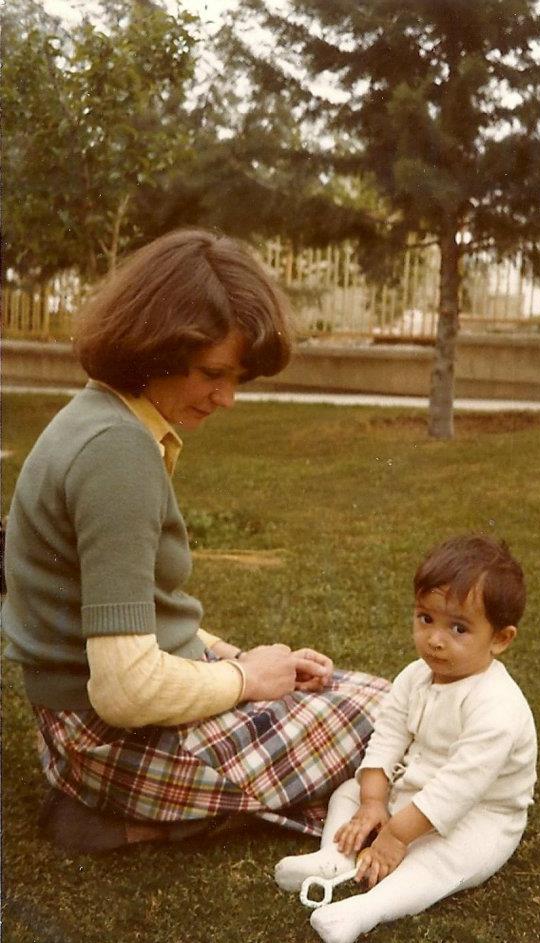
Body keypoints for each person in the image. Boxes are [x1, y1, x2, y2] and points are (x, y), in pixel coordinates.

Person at [2, 228, 388, 854]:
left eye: (236, 378)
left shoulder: (100, 418)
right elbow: (124, 691)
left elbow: (129, 607)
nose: (227, 398)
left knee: (367, 700)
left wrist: (250, 660)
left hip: (85, 728)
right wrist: (244, 678)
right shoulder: (117, 454)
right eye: (213, 373)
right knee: (396, 720)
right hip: (113, 739)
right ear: (155, 345)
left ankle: (171, 808)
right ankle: (132, 818)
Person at [274, 534, 537, 943]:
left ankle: (367, 910)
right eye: (425, 618)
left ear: (500, 639)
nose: (435, 639)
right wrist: (374, 803)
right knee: (350, 791)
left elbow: (458, 789)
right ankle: (333, 857)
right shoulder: (414, 676)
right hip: (413, 791)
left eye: (459, 628)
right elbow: (387, 738)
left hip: (479, 815)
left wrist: (396, 836)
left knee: (443, 860)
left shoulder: (497, 708)